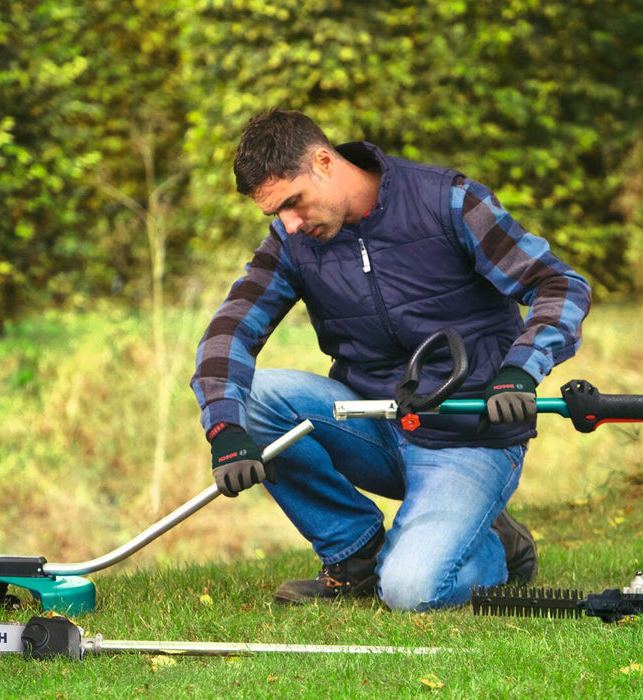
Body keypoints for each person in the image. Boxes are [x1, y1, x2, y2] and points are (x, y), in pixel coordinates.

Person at [191, 108, 591, 612]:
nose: (289, 224)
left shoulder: (447, 202)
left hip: (468, 433)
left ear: (323, 161)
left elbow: (559, 284)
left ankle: (499, 551)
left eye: (293, 203)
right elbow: (229, 330)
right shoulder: (293, 243)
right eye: (276, 215)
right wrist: (224, 429)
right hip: (376, 421)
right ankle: (354, 553)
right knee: (255, 399)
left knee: (410, 591)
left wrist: (520, 370)